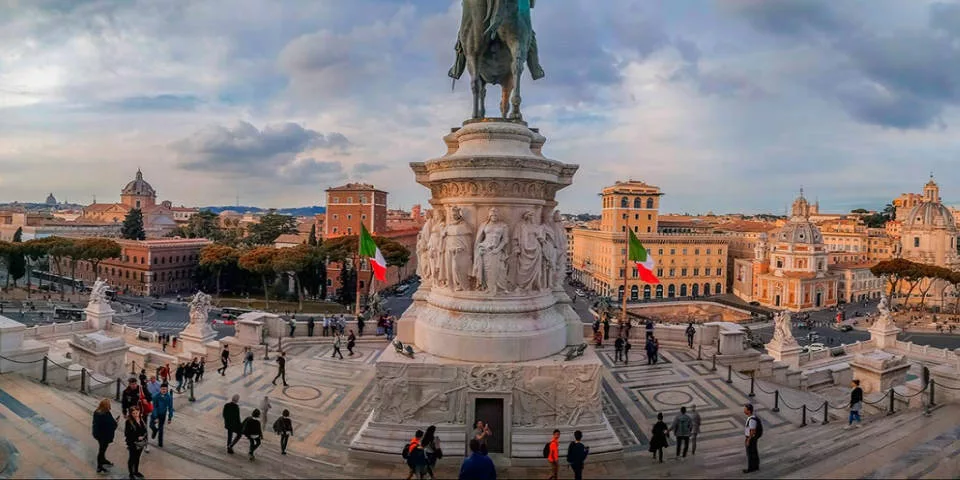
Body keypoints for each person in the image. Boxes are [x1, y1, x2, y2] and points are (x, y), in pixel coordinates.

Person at [92, 398, 119, 474]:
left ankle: (103, 460)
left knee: (102, 449)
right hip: (104, 436)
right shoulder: (105, 414)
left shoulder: (97, 412)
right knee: (102, 450)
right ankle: (99, 466)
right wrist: (116, 422)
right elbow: (111, 425)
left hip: (98, 435)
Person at [124, 405, 148, 479]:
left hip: (140, 444)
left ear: (139, 412)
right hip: (133, 443)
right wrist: (137, 437)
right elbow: (127, 434)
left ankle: (136, 471)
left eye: (136, 412)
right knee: (132, 458)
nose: (135, 414)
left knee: (137, 458)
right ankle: (131, 474)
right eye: (133, 413)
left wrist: (144, 436)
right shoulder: (128, 422)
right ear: (131, 413)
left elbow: (144, 430)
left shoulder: (141, 419)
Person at [149, 383, 174, 448]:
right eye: (162, 389)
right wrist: (156, 416)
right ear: (160, 389)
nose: (164, 390)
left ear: (167, 389)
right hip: (155, 413)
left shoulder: (169, 397)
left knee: (161, 429)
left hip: (162, 414)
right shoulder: (156, 396)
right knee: (151, 425)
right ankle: (154, 430)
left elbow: (170, 407)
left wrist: (169, 418)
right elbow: (154, 407)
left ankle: (160, 443)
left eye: (165, 389)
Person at [743, 403, 760, 474]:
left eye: (745, 409)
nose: (744, 410)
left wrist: (748, 440)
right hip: (751, 438)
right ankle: (755, 466)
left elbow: (753, 430)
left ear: (749, 411)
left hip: (751, 438)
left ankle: (751, 468)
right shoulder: (751, 417)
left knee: (750, 453)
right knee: (753, 452)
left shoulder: (752, 420)